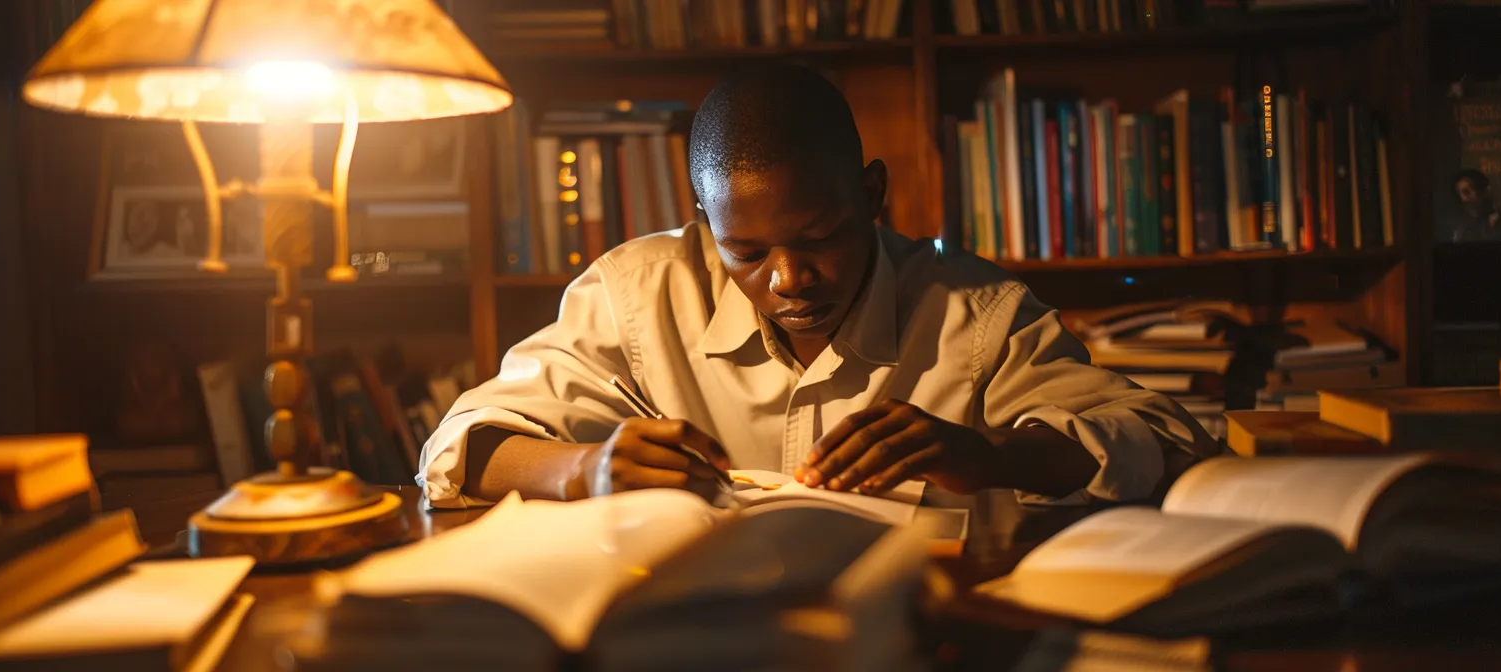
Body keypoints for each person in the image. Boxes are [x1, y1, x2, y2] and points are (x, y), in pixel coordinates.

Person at [418, 63, 1219, 509]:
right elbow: (460, 445)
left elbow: (1166, 438)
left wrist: (989, 452)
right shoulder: (637, 292)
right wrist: (580, 469)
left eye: (819, 237)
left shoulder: (975, 315)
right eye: (746, 251)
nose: (789, 278)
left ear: (872, 196)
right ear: (704, 224)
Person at [1448, 168, 1501, 242]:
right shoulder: (1461, 231)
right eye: (1459, 195)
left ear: (1485, 192)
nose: (1463, 199)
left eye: (1467, 192)